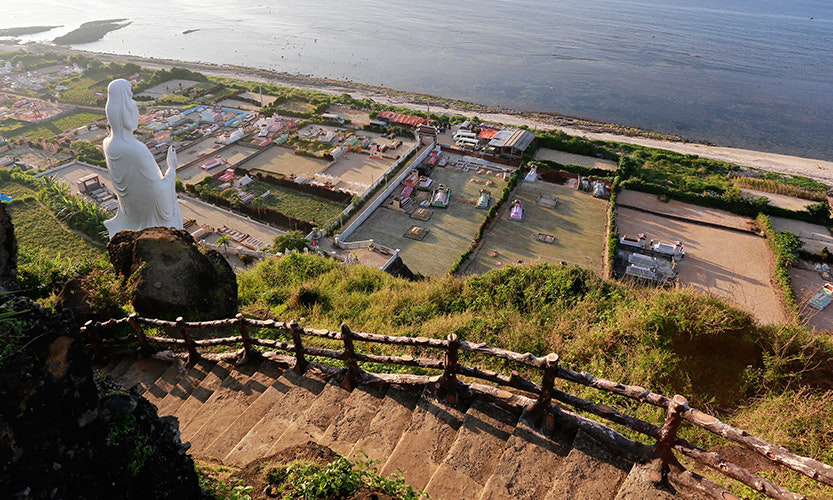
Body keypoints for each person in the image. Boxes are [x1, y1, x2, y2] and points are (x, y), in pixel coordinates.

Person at [102, 79, 182, 238]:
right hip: (151, 222)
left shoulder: (107, 144)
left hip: (132, 216)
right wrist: (172, 168)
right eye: (134, 106)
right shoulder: (136, 149)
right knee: (177, 214)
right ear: (125, 111)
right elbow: (159, 194)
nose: (138, 113)